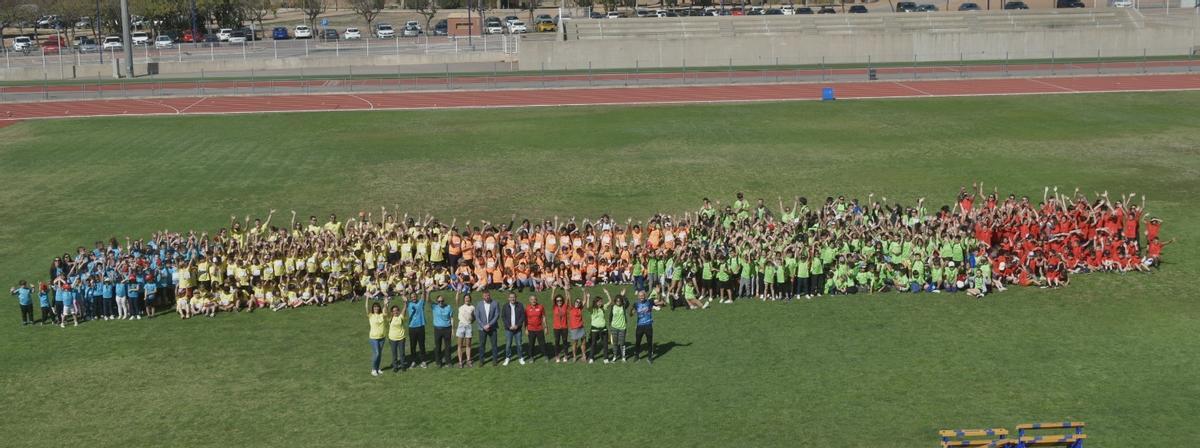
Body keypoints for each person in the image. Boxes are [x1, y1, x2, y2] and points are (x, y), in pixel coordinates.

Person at [499, 292, 526, 366]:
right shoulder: (505, 306)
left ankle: (520, 357)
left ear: (516, 298)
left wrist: (517, 325)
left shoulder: (520, 305)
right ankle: (507, 357)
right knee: (508, 344)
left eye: (513, 297)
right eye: (511, 297)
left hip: (518, 329)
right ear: (508, 298)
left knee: (519, 344)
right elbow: (503, 317)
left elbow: (522, 316)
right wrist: (509, 326)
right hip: (509, 329)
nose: (512, 298)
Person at [473, 290, 499, 366]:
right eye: (485, 296)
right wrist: (483, 326)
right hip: (482, 328)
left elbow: (497, 315)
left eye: (488, 295)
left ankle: (495, 360)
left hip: (493, 327)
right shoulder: (479, 304)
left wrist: (489, 325)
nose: (487, 297)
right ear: (483, 296)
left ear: (490, 295)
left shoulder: (495, 303)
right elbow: (477, 317)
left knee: (494, 345)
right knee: (482, 345)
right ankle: (481, 360)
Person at [524, 293, 551, 363]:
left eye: (535, 299)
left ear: (537, 300)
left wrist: (546, 327)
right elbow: (525, 319)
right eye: (532, 299)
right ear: (529, 300)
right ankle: (531, 357)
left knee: (542, 343)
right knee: (531, 344)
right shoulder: (527, 308)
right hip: (530, 329)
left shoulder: (540, 307)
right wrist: (526, 329)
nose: (533, 301)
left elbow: (544, 317)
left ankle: (545, 356)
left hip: (539, 329)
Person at [606, 289, 630, 362]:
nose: (618, 302)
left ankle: (623, 356)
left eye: (619, 301)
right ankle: (615, 356)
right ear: (615, 301)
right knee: (615, 343)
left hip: (622, 327)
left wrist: (623, 296)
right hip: (614, 327)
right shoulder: (613, 307)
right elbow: (611, 316)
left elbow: (628, 303)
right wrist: (610, 325)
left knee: (622, 343)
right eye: (617, 301)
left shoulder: (623, 307)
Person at [430, 292, 454, 368]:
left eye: (442, 301)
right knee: (438, 347)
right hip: (437, 329)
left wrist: (453, 329)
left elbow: (452, 318)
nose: (441, 302)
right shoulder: (434, 306)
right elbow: (427, 300)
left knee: (448, 346)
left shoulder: (448, 307)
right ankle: (438, 362)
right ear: (437, 302)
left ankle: (448, 362)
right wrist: (427, 291)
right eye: (439, 301)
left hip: (447, 329)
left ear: (444, 301)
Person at [405, 291, 428, 368]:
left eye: (414, 296)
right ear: (410, 298)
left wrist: (422, 284)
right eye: (412, 297)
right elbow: (405, 297)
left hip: (421, 326)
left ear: (416, 296)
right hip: (412, 327)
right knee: (413, 345)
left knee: (422, 345)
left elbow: (423, 295)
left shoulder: (420, 303)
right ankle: (413, 361)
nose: (413, 298)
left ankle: (423, 361)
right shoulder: (409, 304)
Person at [633, 290, 655, 364]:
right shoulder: (636, 304)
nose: (641, 297)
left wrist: (661, 302)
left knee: (649, 342)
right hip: (640, 326)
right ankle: (636, 356)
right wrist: (632, 312)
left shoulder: (649, 302)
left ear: (645, 296)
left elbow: (660, 303)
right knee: (638, 341)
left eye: (642, 295)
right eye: (640, 296)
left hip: (648, 325)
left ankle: (649, 357)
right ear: (638, 297)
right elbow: (631, 312)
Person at [366, 300, 387, 376]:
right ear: (373, 308)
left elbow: (385, 310)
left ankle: (378, 368)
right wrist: (367, 298)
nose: (376, 308)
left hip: (382, 337)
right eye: (374, 307)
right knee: (377, 353)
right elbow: (366, 307)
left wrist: (385, 303)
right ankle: (373, 369)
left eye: (377, 306)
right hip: (373, 338)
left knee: (379, 354)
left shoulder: (382, 315)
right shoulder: (370, 315)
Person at [455, 292, 475, 368]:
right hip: (461, 326)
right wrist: (458, 293)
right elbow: (456, 300)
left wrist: (471, 322)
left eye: (468, 298)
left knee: (468, 345)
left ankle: (468, 360)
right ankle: (460, 362)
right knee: (460, 345)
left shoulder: (472, 307)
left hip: (468, 326)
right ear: (464, 300)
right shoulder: (460, 307)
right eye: (466, 298)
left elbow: (474, 317)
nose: (467, 299)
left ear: (470, 299)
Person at [386, 301, 407, 373]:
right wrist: (386, 304)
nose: (395, 312)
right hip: (392, 339)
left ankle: (403, 366)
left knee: (402, 353)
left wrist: (405, 302)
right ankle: (395, 367)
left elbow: (404, 309)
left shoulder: (401, 317)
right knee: (394, 353)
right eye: (393, 311)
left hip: (401, 338)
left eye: (396, 310)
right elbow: (386, 312)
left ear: (398, 311)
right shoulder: (390, 318)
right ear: (392, 312)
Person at [587, 295, 608, 364]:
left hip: (603, 329)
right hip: (594, 330)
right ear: (595, 302)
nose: (600, 303)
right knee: (593, 344)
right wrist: (588, 298)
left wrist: (607, 293)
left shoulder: (603, 308)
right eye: (598, 302)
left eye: (601, 302)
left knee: (605, 344)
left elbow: (610, 302)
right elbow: (587, 307)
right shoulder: (593, 309)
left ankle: (606, 358)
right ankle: (591, 358)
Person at [551, 288, 570, 363]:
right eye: (557, 300)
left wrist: (566, 290)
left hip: (564, 327)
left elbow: (567, 298)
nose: (559, 302)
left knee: (565, 341)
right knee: (557, 342)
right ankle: (557, 356)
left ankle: (565, 355)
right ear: (556, 301)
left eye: (560, 300)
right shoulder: (554, 307)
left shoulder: (565, 306)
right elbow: (552, 298)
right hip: (556, 328)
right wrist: (553, 290)